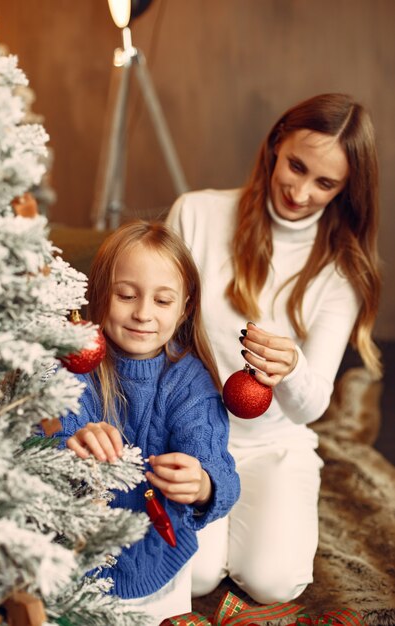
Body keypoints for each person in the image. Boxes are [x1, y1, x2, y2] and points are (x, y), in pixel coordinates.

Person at [166, 92, 382, 604]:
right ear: (276, 144)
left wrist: (292, 368)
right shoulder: (196, 213)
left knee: (272, 581)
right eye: (296, 166)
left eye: (325, 183)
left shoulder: (340, 271)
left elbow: (310, 408)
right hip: (191, 430)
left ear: (347, 189)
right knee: (193, 576)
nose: (301, 191)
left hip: (273, 444)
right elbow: (158, 337)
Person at [54, 220, 240, 625]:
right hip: (79, 534)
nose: (142, 314)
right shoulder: (77, 363)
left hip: (160, 539)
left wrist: (202, 484)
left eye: (162, 301)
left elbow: (219, 471)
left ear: (185, 307)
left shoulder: (190, 380)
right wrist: (75, 439)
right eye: (126, 295)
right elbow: (43, 439)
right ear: (100, 294)